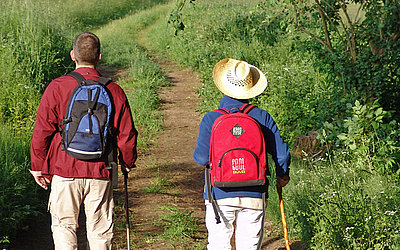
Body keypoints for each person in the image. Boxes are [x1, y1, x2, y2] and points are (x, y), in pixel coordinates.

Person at [30, 32, 138, 250]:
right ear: (99, 57)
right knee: (99, 232)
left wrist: (38, 166)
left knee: (64, 227)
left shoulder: (57, 87)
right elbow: (126, 135)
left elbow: (43, 129)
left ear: (73, 55)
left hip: (64, 168)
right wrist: (127, 161)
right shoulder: (114, 90)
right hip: (101, 169)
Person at [193, 58, 291, 250]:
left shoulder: (211, 118)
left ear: (224, 86)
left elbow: (202, 158)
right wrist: (283, 175)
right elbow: (282, 155)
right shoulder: (262, 117)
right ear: (250, 88)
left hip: (219, 193)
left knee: (219, 245)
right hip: (254, 192)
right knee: (249, 246)